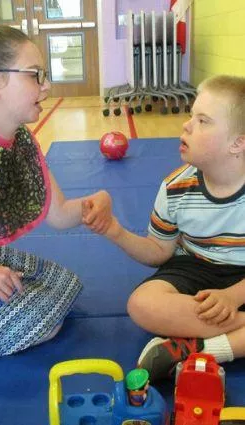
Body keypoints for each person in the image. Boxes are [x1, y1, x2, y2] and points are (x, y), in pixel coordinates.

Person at [0, 25, 112, 361]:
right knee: (44, 321)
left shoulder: (22, 140)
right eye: (35, 75)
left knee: (66, 284)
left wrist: (95, 202)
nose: (46, 86)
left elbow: (59, 214)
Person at [83, 75, 245, 382]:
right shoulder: (175, 187)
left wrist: (233, 297)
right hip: (195, 268)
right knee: (142, 305)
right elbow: (159, 252)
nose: (186, 125)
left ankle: (207, 349)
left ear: (238, 143)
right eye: (191, 115)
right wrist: (114, 230)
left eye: (203, 120)